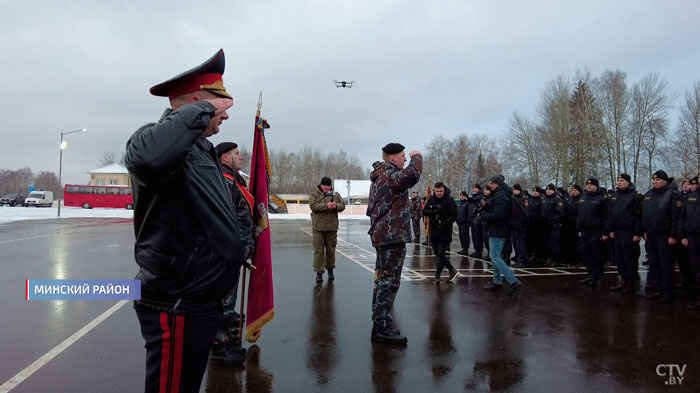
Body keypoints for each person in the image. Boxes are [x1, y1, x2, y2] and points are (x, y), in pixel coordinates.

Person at [125, 49, 243, 392]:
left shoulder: (199, 149)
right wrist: (202, 108)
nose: (223, 115)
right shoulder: (156, 139)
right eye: (216, 105)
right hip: (175, 301)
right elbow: (147, 159)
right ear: (194, 104)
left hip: (199, 300)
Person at [367, 143, 422, 344]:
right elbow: (411, 176)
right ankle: (381, 328)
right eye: (403, 156)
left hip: (388, 235)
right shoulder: (389, 174)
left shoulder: (383, 174)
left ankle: (381, 321)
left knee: (384, 280)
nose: (406, 159)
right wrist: (418, 157)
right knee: (388, 282)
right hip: (391, 236)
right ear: (392, 158)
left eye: (408, 156)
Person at [210, 141, 255, 366]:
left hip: (234, 250)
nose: (241, 157)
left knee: (228, 301)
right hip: (226, 251)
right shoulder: (224, 181)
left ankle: (226, 339)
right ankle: (219, 348)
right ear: (225, 158)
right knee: (222, 302)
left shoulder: (234, 179)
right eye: (237, 154)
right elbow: (229, 219)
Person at [640, 170, 683, 303]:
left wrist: (673, 235)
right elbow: (644, 214)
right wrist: (645, 230)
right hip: (651, 235)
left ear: (665, 181)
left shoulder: (672, 195)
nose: (655, 182)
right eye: (654, 180)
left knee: (666, 265)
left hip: (665, 236)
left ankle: (668, 291)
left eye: (658, 180)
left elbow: (677, 217)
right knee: (654, 264)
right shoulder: (649, 195)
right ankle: (657, 289)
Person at [480, 175, 523, 295]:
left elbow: (499, 214)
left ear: (497, 184)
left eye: (492, 183)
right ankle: (497, 282)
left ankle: (513, 281)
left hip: (498, 229)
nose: (490, 185)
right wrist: (486, 206)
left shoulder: (501, 196)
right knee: (495, 256)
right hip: (497, 228)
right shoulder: (500, 194)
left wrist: (483, 217)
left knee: (494, 256)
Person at [607, 174, 642, 294]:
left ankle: (630, 283)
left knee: (629, 258)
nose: (619, 182)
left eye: (622, 180)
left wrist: (637, 232)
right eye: (618, 180)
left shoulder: (634, 196)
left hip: (629, 231)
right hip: (617, 231)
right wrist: (611, 229)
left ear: (628, 182)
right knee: (619, 257)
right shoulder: (615, 195)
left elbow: (638, 215)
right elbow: (611, 214)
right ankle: (622, 280)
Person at [309, 176, 346, 282]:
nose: (326, 188)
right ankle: (319, 272)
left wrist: (335, 206)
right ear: (321, 185)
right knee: (318, 251)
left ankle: (330, 270)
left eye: (328, 186)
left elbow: (342, 205)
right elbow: (313, 206)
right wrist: (326, 206)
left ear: (330, 186)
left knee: (331, 251)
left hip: (332, 228)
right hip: (318, 228)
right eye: (324, 185)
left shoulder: (335, 195)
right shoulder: (314, 195)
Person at [423, 182, 459, 283]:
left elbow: (454, 215)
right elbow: (424, 211)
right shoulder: (432, 199)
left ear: (444, 190)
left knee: (441, 252)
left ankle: (438, 273)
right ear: (434, 191)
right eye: (437, 191)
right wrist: (433, 212)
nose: (439, 193)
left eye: (441, 191)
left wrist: (445, 223)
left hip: (445, 230)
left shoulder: (449, 200)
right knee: (436, 253)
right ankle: (452, 270)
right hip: (434, 229)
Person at [576, 178, 609, 287]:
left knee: (597, 255)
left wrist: (605, 232)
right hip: (584, 230)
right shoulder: (583, 197)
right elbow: (580, 215)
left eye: (591, 185)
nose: (589, 186)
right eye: (587, 185)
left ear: (596, 186)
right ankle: (590, 274)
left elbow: (606, 217)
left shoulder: (602, 198)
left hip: (596, 231)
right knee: (587, 254)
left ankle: (598, 276)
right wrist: (579, 228)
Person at [681, 176, 700, 310]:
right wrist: (682, 235)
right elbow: (683, 216)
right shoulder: (691, 197)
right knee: (695, 268)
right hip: (692, 236)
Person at [542, 184, 565, 266]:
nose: (548, 191)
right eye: (547, 189)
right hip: (546, 224)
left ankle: (555, 260)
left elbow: (560, 213)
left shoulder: (557, 199)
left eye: (550, 190)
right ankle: (550, 259)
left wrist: (553, 220)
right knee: (548, 242)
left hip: (554, 224)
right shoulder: (545, 199)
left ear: (554, 190)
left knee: (554, 242)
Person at [468, 184, 485, 258]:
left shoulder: (481, 196)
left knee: (478, 236)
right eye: (473, 188)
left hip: (478, 218)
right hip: (472, 217)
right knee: (474, 235)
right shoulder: (474, 196)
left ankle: (479, 251)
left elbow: (480, 205)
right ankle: (476, 250)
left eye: (476, 188)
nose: (474, 189)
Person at [456, 190, 471, 255]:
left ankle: (466, 248)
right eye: (461, 195)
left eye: (463, 195)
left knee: (465, 235)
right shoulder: (459, 204)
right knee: (461, 235)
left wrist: (468, 221)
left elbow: (469, 213)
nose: (461, 197)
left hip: (465, 222)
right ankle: (463, 247)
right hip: (460, 221)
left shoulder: (467, 203)